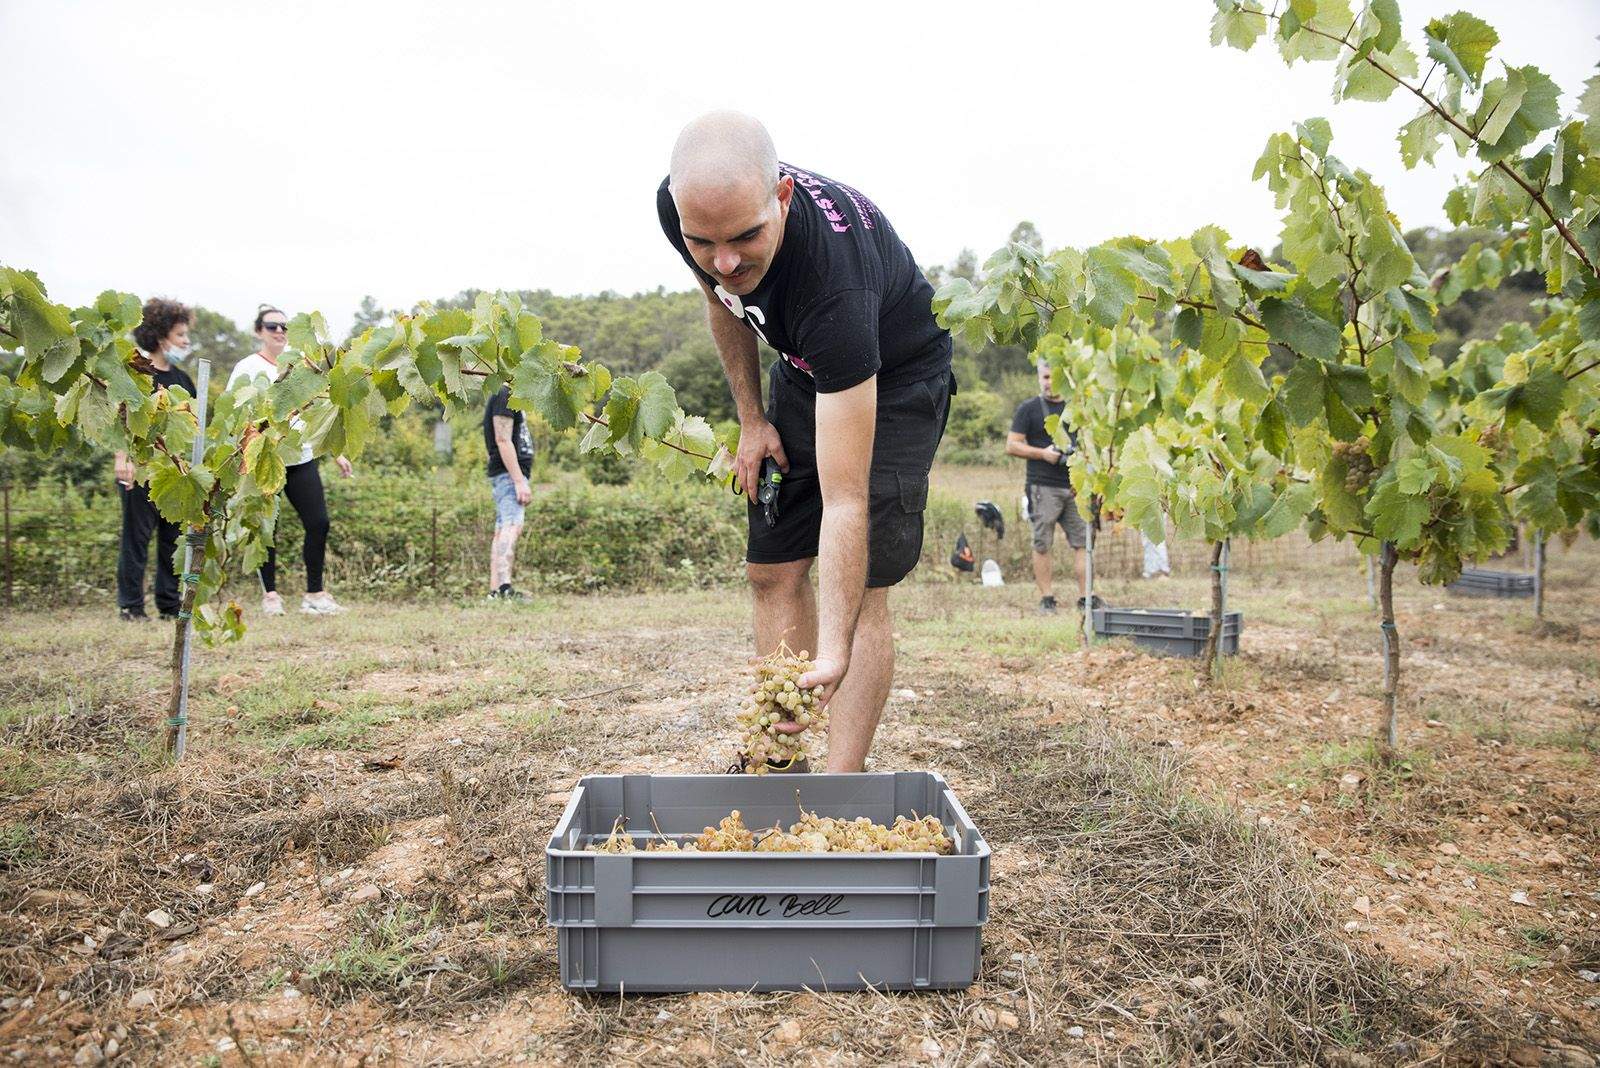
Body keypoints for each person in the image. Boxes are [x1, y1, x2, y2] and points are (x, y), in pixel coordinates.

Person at [658, 111, 954, 773]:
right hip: (800, 368)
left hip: (894, 377)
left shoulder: (835, 288)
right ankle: (777, 764)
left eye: (745, 237)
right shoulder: (688, 212)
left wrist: (834, 648)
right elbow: (720, 299)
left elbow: (845, 501)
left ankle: (839, 789)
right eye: (703, 241)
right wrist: (752, 419)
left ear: (782, 196)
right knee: (771, 567)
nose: (725, 260)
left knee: (862, 589)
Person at [226, 305, 352, 616]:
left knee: (318, 522)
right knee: (268, 527)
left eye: (284, 326)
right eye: (272, 327)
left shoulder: (298, 364)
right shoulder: (247, 367)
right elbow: (234, 412)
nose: (279, 331)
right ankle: (270, 596)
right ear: (259, 331)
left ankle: (315, 594)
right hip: (265, 460)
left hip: (301, 457)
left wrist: (335, 452)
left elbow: (312, 411)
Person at [115, 298, 198, 622]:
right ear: (161, 335)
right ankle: (131, 605)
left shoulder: (183, 379)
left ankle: (168, 603)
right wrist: (123, 458)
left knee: (170, 541)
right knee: (136, 538)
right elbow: (121, 418)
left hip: (173, 474)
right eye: (180, 335)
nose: (186, 341)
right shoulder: (138, 373)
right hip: (139, 468)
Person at [1007, 359, 1087, 614]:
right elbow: (1012, 445)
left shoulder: (1077, 408)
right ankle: (1047, 598)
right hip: (1042, 486)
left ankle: (1086, 597)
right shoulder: (1028, 409)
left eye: (1054, 377)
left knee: (1083, 542)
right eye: (1045, 377)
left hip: (1076, 485)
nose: (1048, 383)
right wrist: (1043, 453)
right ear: (1039, 377)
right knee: (1042, 543)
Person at [483, 385, 534, 599]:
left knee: (503, 528)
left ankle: (496, 590)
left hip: (506, 474)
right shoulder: (505, 393)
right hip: (509, 475)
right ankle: (504, 588)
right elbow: (502, 440)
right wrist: (519, 480)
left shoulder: (510, 395)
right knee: (512, 526)